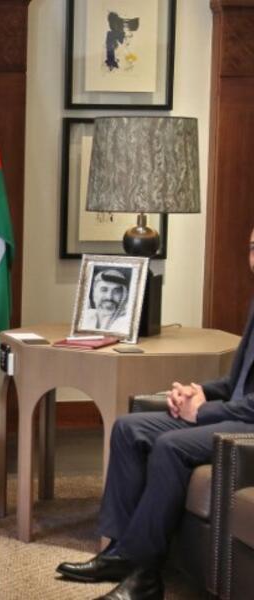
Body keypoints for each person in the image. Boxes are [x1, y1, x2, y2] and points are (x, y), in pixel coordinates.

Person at [56, 227, 254, 600]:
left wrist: (203, 411)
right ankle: (118, 551)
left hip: (247, 428)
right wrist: (197, 392)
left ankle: (144, 575)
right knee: (128, 428)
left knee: (171, 446)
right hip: (233, 411)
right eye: (253, 247)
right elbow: (234, 382)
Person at [81, 268, 130, 332]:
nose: (109, 297)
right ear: (94, 293)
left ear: (123, 295)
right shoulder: (86, 316)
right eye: (104, 290)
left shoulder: (125, 323)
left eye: (116, 291)